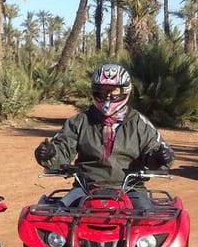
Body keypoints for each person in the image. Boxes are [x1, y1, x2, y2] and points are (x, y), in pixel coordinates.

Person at [34, 63, 174, 209]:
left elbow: (155, 149)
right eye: (102, 92)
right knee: (57, 216)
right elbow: (62, 147)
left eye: (114, 91)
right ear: (94, 91)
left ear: (125, 91)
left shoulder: (139, 123)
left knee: (148, 221)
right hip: (86, 187)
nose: (108, 96)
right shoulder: (80, 121)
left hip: (130, 189)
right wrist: (49, 154)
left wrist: (160, 157)